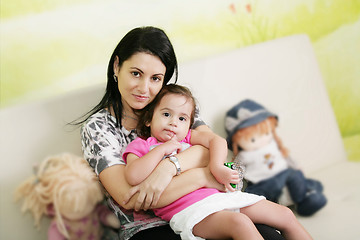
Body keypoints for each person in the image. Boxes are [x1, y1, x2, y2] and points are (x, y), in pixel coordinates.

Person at [78, 26, 285, 240]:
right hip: (150, 228)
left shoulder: (176, 108)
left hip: (205, 205)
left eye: (156, 78)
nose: (144, 88)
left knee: (272, 236)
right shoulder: (99, 127)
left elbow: (210, 149)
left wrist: (169, 168)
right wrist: (201, 175)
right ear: (117, 66)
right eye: (136, 74)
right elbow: (130, 199)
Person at [123, 84, 313, 240]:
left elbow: (217, 141)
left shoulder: (188, 138)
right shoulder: (142, 145)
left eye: (182, 118)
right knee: (240, 224)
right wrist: (163, 149)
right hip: (189, 211)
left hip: (220, 198)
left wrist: (216, 166)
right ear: (149, 119)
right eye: (166, 114)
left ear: (189, 124)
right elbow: (133, 175)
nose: (174, 122)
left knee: (285, 215)